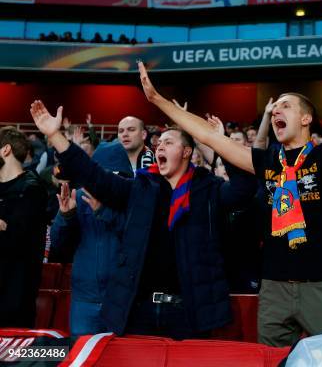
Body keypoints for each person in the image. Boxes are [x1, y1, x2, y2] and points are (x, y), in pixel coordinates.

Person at [136, 25, 322, 347]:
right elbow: (209, 136)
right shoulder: (266, 160)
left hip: (321, 286)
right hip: (274, 288)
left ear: (306, 119)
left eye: (285, 105)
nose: (276, 109)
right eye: (274, 106)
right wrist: (158, 101)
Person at [30, 102, 258, 339]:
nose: (159, 147)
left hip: (190, 312)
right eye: (158, 144)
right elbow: (94, 176)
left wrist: (219, 143)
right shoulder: (141, 188)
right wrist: (55, 135)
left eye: (168, 143)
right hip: (140, 311)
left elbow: (244, 188)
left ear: (187, 152)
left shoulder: (209, 190)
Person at [50, 141, 131, 336]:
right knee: (82, 358)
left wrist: (104, 212)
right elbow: (59, 247)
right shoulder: (77, 198)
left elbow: (134, 239)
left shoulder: (133, 199)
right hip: (85, 299)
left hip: (122, 300)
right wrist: (66, 216)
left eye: (112, 176)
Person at [0, 127, 48, 327]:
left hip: (14, 296)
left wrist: (5, 227)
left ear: (5, 150)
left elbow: (18, 238)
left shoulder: (31, 188)